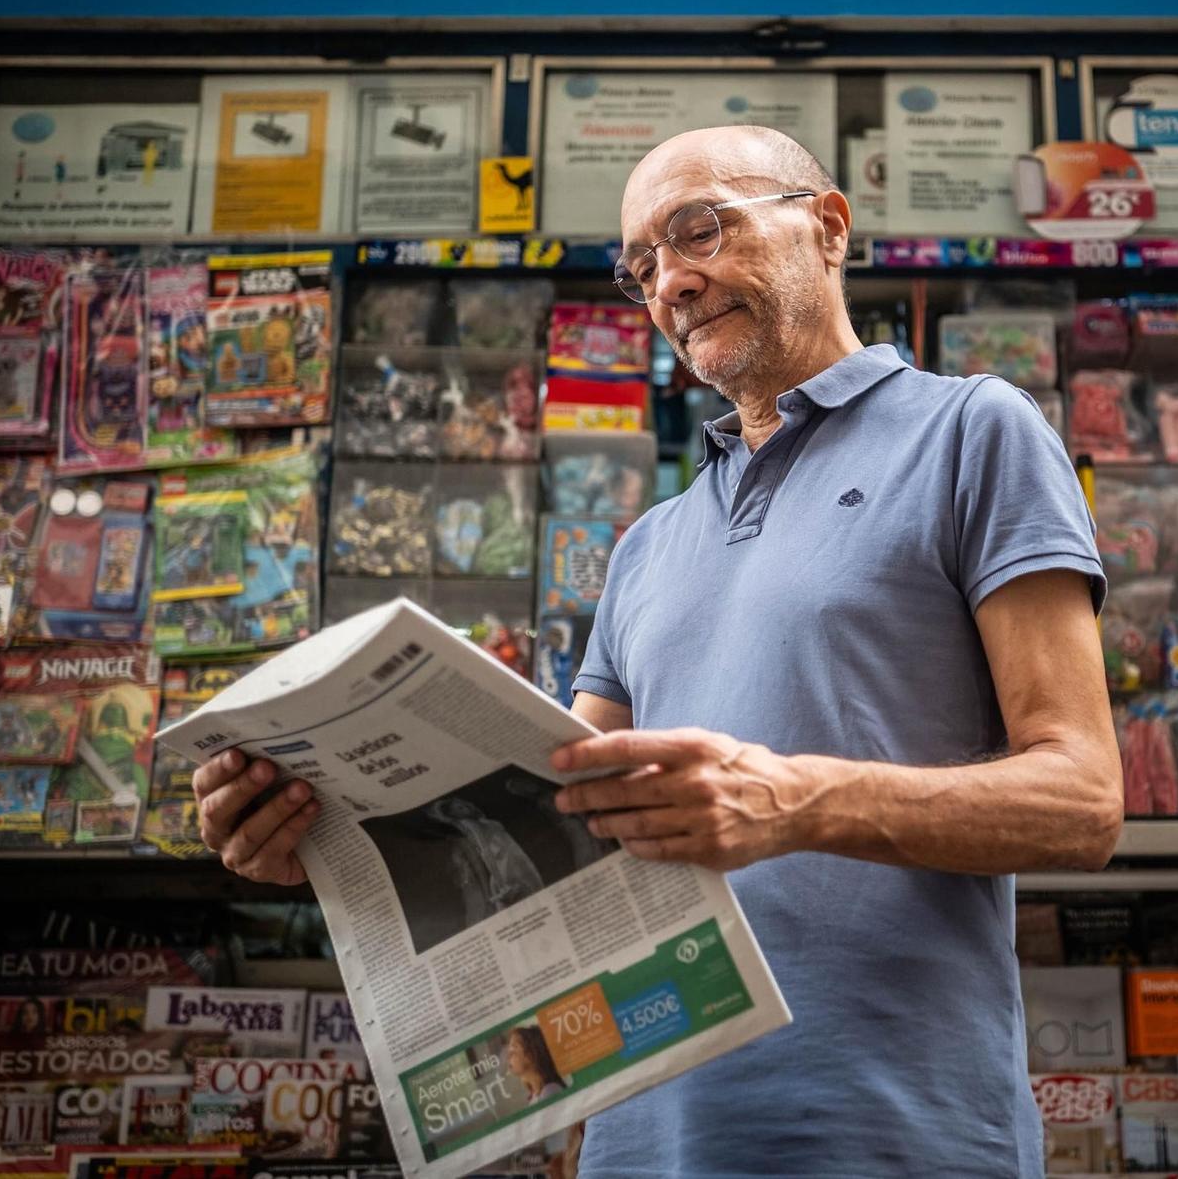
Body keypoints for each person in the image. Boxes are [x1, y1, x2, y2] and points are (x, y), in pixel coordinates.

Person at [192, 123, 1122, 1177]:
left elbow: (1082, 800)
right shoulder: (645, 546)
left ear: (825, 226)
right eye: (641, 265)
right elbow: (549, 850)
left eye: (698, 230)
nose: (671, 281)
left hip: (893, 1132)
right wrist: (316, 834)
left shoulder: (970, 432)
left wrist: (795, 801)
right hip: (644, 1141)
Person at [506, 1025, 568, 1105]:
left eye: (514, 1047)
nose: (508, 1055)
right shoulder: (535, 1095)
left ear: (531, 1054)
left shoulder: (550, 1091)